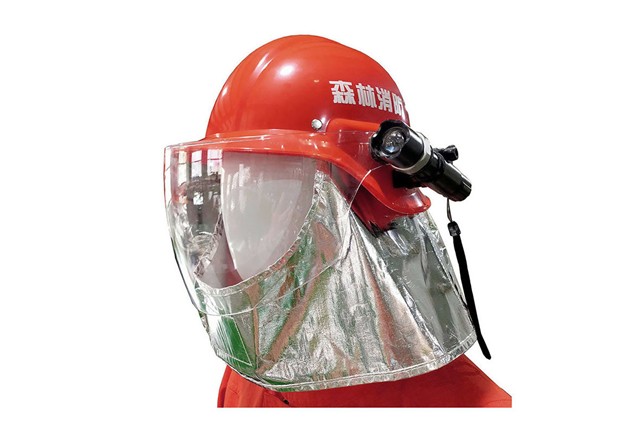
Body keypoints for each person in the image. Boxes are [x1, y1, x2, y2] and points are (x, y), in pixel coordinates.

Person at [164, 35, 511, 407]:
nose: (229, 235)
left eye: (260, 194)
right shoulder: (259, 370)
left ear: (359, 194)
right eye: (226, 189)